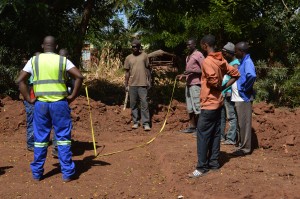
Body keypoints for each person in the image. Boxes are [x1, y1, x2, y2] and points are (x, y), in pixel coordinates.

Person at [16, 36, 84, 182]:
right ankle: (67, 173)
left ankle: (37, 173)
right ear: (57, 46)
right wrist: (72, 96)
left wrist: (28, 98)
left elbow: (20, 80)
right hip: (60, 104)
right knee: (63, 138)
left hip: (40, 104)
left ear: (42, 46)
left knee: (40, 139)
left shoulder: (34, 60)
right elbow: (79, 76)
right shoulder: (62, 60)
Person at [188, 35, 240, 178]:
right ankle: (214, 164)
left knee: (203, 135)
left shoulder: (207, 62)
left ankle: (201, 167)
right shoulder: (221, 59)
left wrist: (220, 87)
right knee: (216, 134)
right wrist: (223, 88)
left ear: (205, 45)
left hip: (209, 105)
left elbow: (214, 82)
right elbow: (236, 74)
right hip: (219, 103)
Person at [231, 42, 256, 156]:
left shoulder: (247, 62)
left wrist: (245, 88)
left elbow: (252, 75)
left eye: (236, 51)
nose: (235, 53)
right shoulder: (242, 62)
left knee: (244, 124)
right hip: (238, 98)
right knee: (241, 124)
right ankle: (241, 145)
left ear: (242, 51)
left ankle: (245, 148)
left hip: (243, 99)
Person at [177, 38, 204, 134]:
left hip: (196, 84)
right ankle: (192, 126)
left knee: (197, 106)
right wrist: (183, 75)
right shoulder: (188, 56)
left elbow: (205, 70)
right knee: (190, 107)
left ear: (194, 45)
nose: (188, 46)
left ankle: (200, 129)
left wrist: (192, 71)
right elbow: (189, 72)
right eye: (187, 45)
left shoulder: (198, 55)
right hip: (188, 84)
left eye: (190, 45)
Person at [124, 39, 151, 131]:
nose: (134, 48)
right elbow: (127, 72)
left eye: (136, 46)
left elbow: (147, 69)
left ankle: (146, 123)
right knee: (133, 104)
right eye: (133, 47)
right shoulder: (128, 58)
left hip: (143, 84)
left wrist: (149, 81)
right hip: (132, 84)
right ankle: (135, 122)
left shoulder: (144, 56)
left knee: (144, 104)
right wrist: (126, 84)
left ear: (140, 47)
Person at [220, 42, 240, 145]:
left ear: (230, 53)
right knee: (222, 116)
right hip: (223, 92)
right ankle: (221, 136)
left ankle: (231, 138)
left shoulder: (235, 64)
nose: (223, 55)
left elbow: (235, 80)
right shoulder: (228, 62)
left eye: (225, 53)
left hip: (229, 93)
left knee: (231, 116)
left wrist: (226, 90)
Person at [20, 55, 35, 152]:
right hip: (30, 99)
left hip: (33, 98)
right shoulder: (27, 74)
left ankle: (34, 142)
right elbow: (22, 84)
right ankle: (31, 143)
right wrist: (27, 98)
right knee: (32, 120)